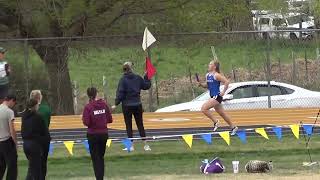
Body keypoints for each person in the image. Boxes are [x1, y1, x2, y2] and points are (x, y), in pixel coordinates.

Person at [112, 61, 151, 151]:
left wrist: (116, 103)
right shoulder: (137, 77)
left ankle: (131, 146)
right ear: (131, 69)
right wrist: (146, 77)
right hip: (137, 104)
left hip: (127, 106)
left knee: (128, 125)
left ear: (123, 70)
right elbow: (146, 86)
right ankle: (146, 145)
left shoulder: (122, 80)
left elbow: (120, 94)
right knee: (140, 124)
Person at [198, 60, 238, 135]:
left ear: (214, 67)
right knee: (222, 113)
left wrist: (223, 92)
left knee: (204, 108)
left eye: (210, 64)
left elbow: (226, 82)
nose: (208, 65)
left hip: (217, 96)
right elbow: (207, 86)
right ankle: (233, 127)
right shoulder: (207, 75)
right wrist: (201, 85)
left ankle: (216, 121)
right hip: (212, 96)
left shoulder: (216, 75)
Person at [82, 87, 112, 180]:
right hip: (103, 134)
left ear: (88, 95)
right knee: (101, 157)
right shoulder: (104, 105)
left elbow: (86, 122)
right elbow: (110, 119)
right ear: (96, 94)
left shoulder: (88, 107)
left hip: (93, 134)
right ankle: (100, 177)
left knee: (96, 158)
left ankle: (99, 178)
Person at [21, 99, 50, 180]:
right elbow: (43, 131)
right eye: (37, 105)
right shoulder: (38, 117)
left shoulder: (24, 116)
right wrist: (45, 140)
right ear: (35, 106)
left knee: (32, 167)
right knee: (37, 170)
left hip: (26, 144)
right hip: (34, 145)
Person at [30, 90, 51, 179]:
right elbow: (48, 123)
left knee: (33, 162)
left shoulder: (29, 110)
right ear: (40, 97)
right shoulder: (46, 109)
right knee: (43, 161)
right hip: (44, 138)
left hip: (33, 139)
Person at [0, 94, 17, 180]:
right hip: (7, 141)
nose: (13, 105)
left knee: (1, 165)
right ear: (11, 100)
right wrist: (15, 142)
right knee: (12, 166)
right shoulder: (9, 112)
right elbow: (12, 130)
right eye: (14, 103)